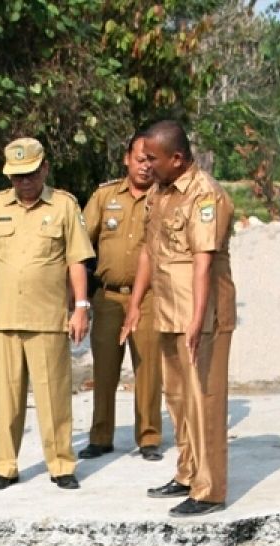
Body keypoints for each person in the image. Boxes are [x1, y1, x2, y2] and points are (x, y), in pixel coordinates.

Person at [120, 120, 235, 517]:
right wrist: (136, 305)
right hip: (168, 310)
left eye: (153, 158)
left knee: (204, 400)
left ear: (178, 158)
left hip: (199, 314)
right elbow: (149, 252)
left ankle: (210, 489)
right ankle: (187, 472)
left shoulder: (206, 196)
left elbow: (203, 263)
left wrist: (197, 319)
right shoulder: (160, 193)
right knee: (178, 398)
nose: (146, 165)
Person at [0, 137, 94, 490]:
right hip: (6, 318)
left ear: (44, 169)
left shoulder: (65, 206)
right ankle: (5, 466)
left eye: (30, 174)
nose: (23, 182)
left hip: (48, 318)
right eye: (17, 176)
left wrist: (80, 307)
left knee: (54, 396)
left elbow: (76, 260)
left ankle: (61, 464)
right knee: (5, 399)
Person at [78, 133, 163, 463]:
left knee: (148, 368)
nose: (145, 165)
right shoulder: (104, 196)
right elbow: (82, 245)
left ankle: (149, 436)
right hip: (109, 296)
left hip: (150, 299)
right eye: (140, 158)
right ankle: (101, 436)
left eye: (151, 159)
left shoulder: (164, 197)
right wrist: (79, 298)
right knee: (105, 370)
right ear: (126, 159)